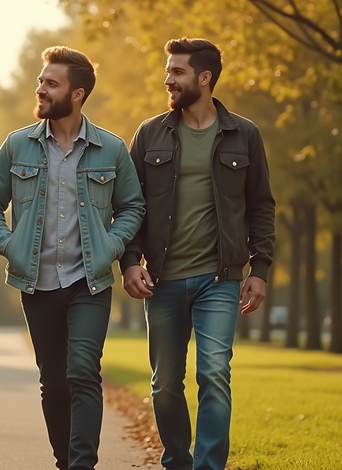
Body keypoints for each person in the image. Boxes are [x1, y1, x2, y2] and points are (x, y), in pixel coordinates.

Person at [0, 46, 146, 470]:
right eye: (41, 81)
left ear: (77, 93)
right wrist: (8, 243)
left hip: (89, 282)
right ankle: (65, 461)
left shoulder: (111, 148)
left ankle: (82, 465)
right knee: (53, 383)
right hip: (36, 282)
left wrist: (111, 246)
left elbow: (133, 207)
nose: (41, 89)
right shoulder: (18, 145)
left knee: (83, 373)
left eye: (51, 83)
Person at [120, 38, 275, 470]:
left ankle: (208, 466)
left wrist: (259, 268)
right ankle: (176, 461)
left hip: (219, 279)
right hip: (163, 279)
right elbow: (131, 205)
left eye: (177, 72)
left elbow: (261, 205)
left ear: (204, 78)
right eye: (168, 71)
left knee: (214, 375)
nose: (167, 79)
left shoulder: (244, 134)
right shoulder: (150, 133)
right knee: (165, 383)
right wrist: (130, 261)